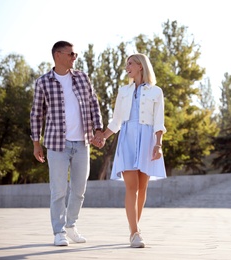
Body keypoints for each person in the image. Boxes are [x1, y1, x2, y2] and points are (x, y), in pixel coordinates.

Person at [30, 41, 105, 246]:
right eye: (71, 53)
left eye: (75, 54)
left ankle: (71, 225)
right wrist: (36, 143)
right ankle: (58, 231)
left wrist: (98, 130)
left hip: (82, 142)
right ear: (58, 55)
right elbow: (37, 115)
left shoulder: (82, 78)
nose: (75, 57)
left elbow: (93, 104)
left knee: (79, 189)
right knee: (59, 190)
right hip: (56, 143)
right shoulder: (43, 82)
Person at [102, 53, 167, 248]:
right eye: (126, 64)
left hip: (148, 139)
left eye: (130, 63)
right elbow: (116, 121)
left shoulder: (156, 92)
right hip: (128, 138)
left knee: (142, 187)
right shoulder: (123, 91)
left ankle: (134, 229)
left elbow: (159, 121)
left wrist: (158, 144)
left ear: (140, 66)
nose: (127, 67)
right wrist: (102, 137)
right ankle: (135, 232)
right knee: (131, 187)